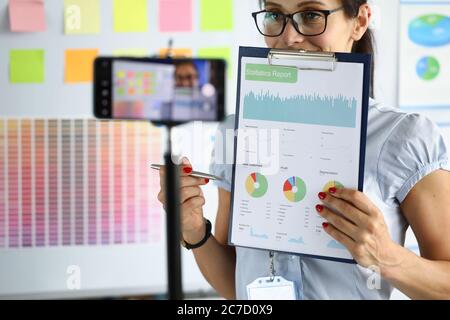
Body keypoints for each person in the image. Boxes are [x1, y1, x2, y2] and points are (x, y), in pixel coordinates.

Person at [158, 0, 450, 300]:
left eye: (311, 15)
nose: (289, 37)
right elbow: (237, 286)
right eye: (274, 15)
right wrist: (194, 230)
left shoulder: (405, 136)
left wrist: (387, 257)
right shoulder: (236, 131)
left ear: (359, 21)